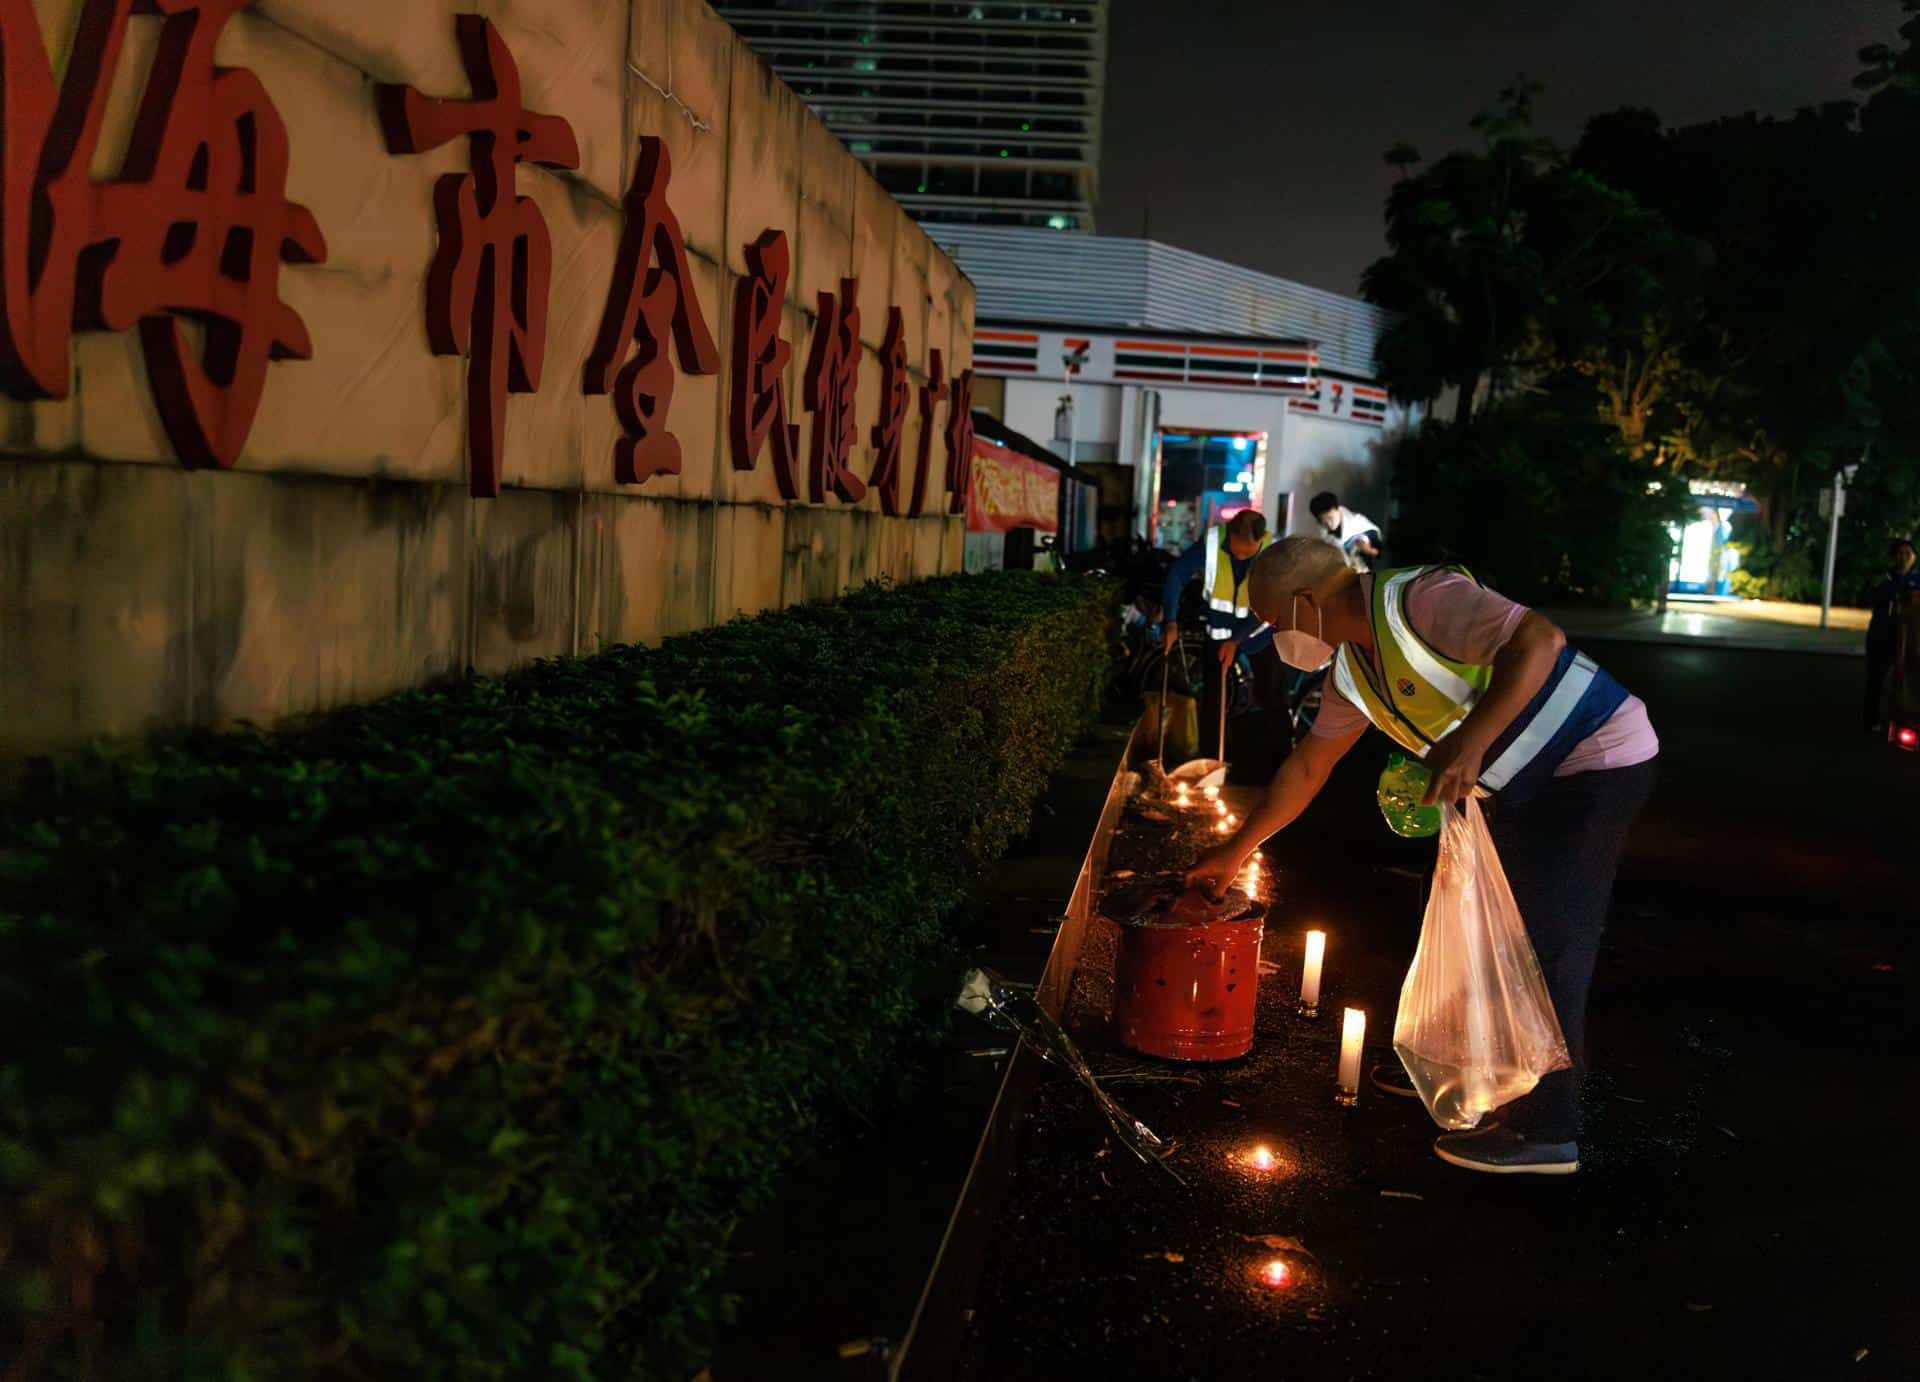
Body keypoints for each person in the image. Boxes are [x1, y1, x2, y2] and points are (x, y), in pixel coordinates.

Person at [1185, 538, 1660, 1176]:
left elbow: (1540, 641)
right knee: (1474, 923)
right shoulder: (1350, 671)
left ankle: (1550, 1130)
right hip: (1515, 779)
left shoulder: (1421, 599)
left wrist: (1471, 741)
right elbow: (1307, 767)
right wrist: (1234, 850)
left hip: (1593, 761)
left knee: (1547, 941)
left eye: (1277, 621)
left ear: (1306, 601)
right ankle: (1460, 1072)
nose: (1278, 638)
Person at [1863, 537, 1919, 732]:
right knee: (1876, 678)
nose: (1905, 557)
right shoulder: (1884, 579)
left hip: (1908, 638)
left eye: (1908, 553)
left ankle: (1898, 720)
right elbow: (1872, 598)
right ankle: (1872, 719)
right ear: (1893, 557)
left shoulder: (1917, 580)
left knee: (1904, 681)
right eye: (1900, 553)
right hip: (1882, 634)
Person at [1308, 491, 1384, 569]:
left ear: (1337, 508)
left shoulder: (1357, 521)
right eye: (1324, 521)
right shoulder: (1321, 535)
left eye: (1330, 518)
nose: (1329, 524)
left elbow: (1377, 542)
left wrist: (1367, 547)